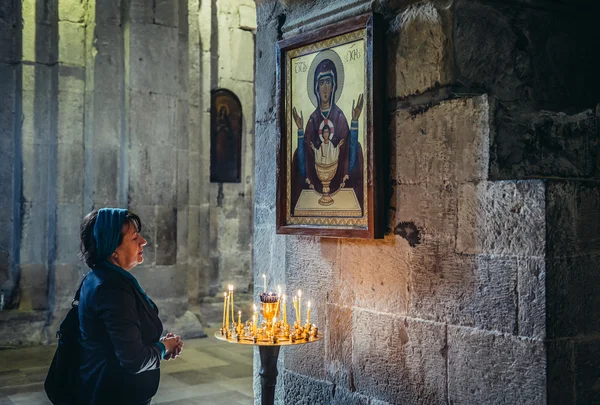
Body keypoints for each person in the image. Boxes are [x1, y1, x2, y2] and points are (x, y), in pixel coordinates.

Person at [78, 208, 183, 405]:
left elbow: (116, 340)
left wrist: (159, 347)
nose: (143, 241)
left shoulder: (100, 277)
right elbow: (134, 360)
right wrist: (164, 347)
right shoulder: (112, 289)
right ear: (113, 250)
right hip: (115, 394)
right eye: (135, 238)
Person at [291, 57, 365, 214]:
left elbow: (350, 158)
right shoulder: (311, 120)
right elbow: (304, 164)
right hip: (316, 179)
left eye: (328, 82)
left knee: (357, 148)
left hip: (337, 178)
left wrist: (354, 122)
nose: (325, 88)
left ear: (334, 86)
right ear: (316, 87)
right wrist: (299, 131)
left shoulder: (339, 117)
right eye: (321, 82)